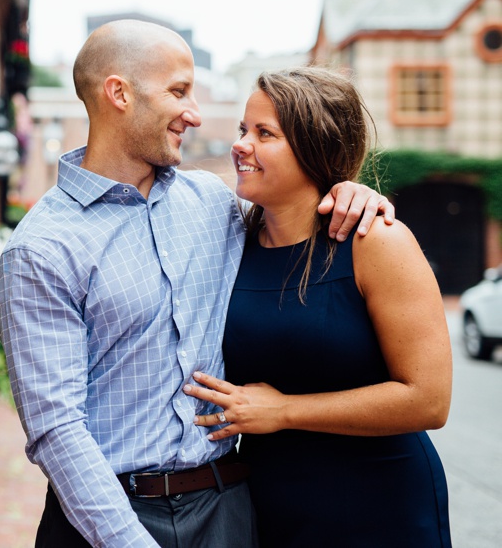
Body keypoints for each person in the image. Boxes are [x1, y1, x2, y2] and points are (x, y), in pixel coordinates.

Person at [0, 21, 394, 548]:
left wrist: (352, 194)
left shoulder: (216, 204)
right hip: (105, 519)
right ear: (119, 94)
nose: (195, 113)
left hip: (227, 509)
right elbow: (57, 429)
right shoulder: (41, 250)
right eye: (179, 91)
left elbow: (299, 205)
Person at [184, 67, 452, 546]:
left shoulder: (375, 241)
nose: (241, 144)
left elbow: (427, 399)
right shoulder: (231, 241)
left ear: (316, 148)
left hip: (379, 502)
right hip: (268, 502)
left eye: (265, 133)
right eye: (245, 129)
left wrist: (286, 411)